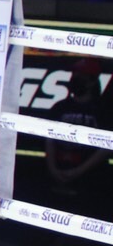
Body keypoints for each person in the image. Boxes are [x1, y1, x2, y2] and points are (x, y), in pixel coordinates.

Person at [44, 58, 109, 218]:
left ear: (91, 81)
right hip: (58, 177)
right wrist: (53, 169)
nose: (74, 78)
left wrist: (78, 171)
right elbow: (49, 139)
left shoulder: (103, 111)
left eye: (80, 75)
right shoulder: (59, 107)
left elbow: (107, 147)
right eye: (74, 74)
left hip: (90, 183)